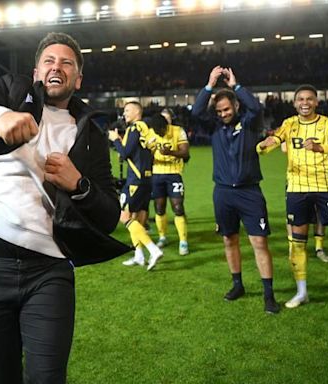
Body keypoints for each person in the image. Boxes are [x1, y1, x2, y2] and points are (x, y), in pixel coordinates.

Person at [0, 32, 121, 383]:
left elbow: (109, 216)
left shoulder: (91, 135)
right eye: (49, 61)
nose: (57, 66)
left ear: (78, 78)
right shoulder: (12, 92)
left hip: (49, 274)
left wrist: (79, 184)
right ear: (36, 71)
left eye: (67, 62)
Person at [258, 84, 328, 308]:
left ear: (316, 102)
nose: (305, 103)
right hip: (297, 189)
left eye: (309, 99)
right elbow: (276, 139)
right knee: (298, 243)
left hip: (327, 188)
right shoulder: (289, 124)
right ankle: (302, 292)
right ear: (294, 103)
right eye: (301, 99)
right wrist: (264, 146)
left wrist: (320, 147)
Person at [191, 66, 279, 314]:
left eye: (227, 109)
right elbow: (197, 112)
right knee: (229, 240)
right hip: (223, 193)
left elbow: (256, 107)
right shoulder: (214, 127)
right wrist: (209, 85)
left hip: (249, 192)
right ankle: (237, 284)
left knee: (259, 242)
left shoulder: (250, 123)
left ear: (236, 107)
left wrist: (235, 86)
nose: (223, 114)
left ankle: (269, 294)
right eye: (219, 111)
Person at [108, 101, 163, 271]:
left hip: (135, 181)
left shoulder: (134, 129)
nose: (124, 114)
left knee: (124, 216)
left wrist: (115, 140)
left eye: (127, 110)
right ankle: (139, 256)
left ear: (137, 112)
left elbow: (125, 153)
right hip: (147, 179)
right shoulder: (147, 129)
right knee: (136, 219)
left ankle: (153, 250)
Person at [149, 109, 191, 255]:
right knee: (159, 207)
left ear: (165, 126)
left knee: (178, 207)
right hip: (156, 175)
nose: (158, 133)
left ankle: (183, 241)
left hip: (174, 174)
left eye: (160, 130)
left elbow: (185, 152)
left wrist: (170, 153)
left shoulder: (178, 131)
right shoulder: (151, 133)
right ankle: (162, 237)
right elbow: (145, 153)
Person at [281, 142, 328, 262]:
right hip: (297, 178)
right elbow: (284, 147)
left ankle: (319, 248)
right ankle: (292, 247)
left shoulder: (324, 126)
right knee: (292, 214)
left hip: (319, 177)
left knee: (319, 212)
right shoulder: (291, 125)